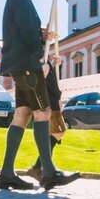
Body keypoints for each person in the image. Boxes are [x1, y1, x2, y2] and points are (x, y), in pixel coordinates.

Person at [0, 0, 79, 191]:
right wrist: (40, 60)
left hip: (20, 65)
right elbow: (25, 33)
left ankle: (6, 174)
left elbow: (26, 31)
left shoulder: (18, 0)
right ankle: (49, 173)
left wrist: (42, 34)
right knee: (43, 112)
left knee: (21, 115)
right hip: (28, 65)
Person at [25, 54, 67, 183]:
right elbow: (38, 79)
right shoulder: (38, 56)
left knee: (53, 134)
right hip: (47, 99)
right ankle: (38, 168)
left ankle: (44, 172)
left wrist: (56, 66)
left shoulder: (45, 56)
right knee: (58, 132)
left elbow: (52, 79)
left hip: (53, 98)